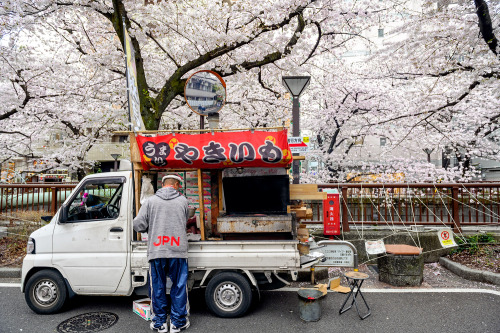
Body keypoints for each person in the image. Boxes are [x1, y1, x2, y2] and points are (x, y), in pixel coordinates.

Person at [133, 175, 190, 333]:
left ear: (163, 185)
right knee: (179, 287)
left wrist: (149, 227)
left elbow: (138, 224)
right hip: (178, 251)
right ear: (176, 185)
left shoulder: (150, 201)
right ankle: (177, 323)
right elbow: (185, 219)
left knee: (157, 287)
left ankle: (160, 323)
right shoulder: (183, 201)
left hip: (157, 251)